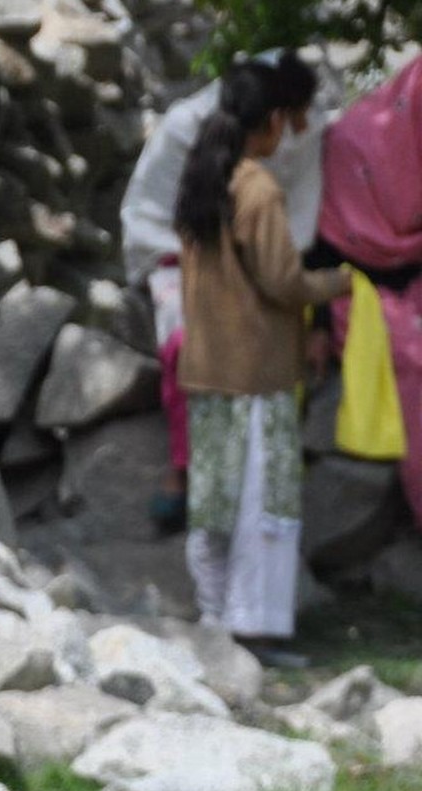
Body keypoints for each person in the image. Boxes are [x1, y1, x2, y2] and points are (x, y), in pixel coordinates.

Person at [177, 59, 354, 647]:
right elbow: (283, 281)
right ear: (274, 120)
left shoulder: (204, 177)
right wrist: (338, 283)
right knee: (263, 508)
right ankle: (253, 628)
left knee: (215, 504)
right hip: (256, 374)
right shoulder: (258, 187)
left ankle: (212, 619)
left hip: (208, 369)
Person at [121, 50, 323, 532]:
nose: (299, 126)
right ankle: (187, 469)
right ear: (273, 117)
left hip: (265, 267)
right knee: (190, 346)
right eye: (291, 116)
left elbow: (296, 234)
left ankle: (250, 480)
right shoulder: (183, 129)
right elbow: (155, 219)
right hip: (180, 259)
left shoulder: (299, 142)